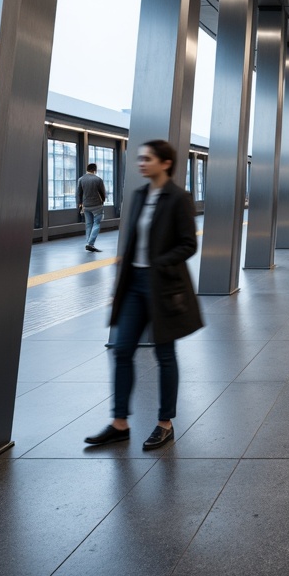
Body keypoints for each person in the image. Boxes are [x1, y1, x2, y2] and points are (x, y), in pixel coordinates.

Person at [85, 139, 202, 451]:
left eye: (147, 158)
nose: (141, 163)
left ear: (165, 163)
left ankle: (165, 423)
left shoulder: (179, 198)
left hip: (162, 284)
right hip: (134, 284)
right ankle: (119, 422)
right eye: (140, 158)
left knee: (164, 353)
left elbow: (189, 245)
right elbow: (131, 241)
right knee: (122, 350)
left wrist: (158, 262)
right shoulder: (138, 196)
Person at [77, 163, 107, 252]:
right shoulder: (98, 180)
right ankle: (90, 243)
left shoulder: (81, 179)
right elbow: (103, 193)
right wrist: (103, 201)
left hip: (86, 206)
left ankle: (88, 243)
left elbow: (78, 193)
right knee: (96, 224)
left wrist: (80, 204)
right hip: (97, 205)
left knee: (89, 225)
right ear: (95, 170)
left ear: (87, 169)